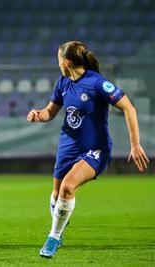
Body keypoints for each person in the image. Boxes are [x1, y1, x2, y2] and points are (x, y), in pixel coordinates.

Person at [26, 41, 150, 258]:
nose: (57, 64)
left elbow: (129, 107)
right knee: (56, 194)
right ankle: (59, 228)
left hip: (96, 148)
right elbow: (49, 113)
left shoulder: (97, 83)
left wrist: (135, 144)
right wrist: (38, 114)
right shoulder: (63, 83)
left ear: (66, 62)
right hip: (68, 146)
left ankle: (53, 237)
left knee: (67, 187)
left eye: (58, 60)